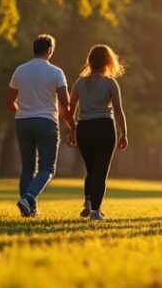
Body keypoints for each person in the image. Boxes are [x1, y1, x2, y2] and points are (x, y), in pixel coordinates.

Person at [7, 34, 72, 217]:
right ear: (50, 51)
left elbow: (10, 102)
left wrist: (24, 110)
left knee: (27, 167)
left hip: (23, 122)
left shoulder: (20, 70)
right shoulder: (56, 72)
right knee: (47, 168)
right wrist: (71, 125)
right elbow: (65, 104)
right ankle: (28, 198)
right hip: (46, 122)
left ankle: (27, 206)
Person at [67, 45, 130, 220]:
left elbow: (70, 110)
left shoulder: (79, 83)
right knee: (100, 171)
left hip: (84, 128)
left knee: (91, 169)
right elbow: (118, 110)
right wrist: (124, 133)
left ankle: (88, 200)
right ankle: (95, 210)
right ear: (109, 61)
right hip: (104, 127)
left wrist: (72, 130)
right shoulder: (110, 83)